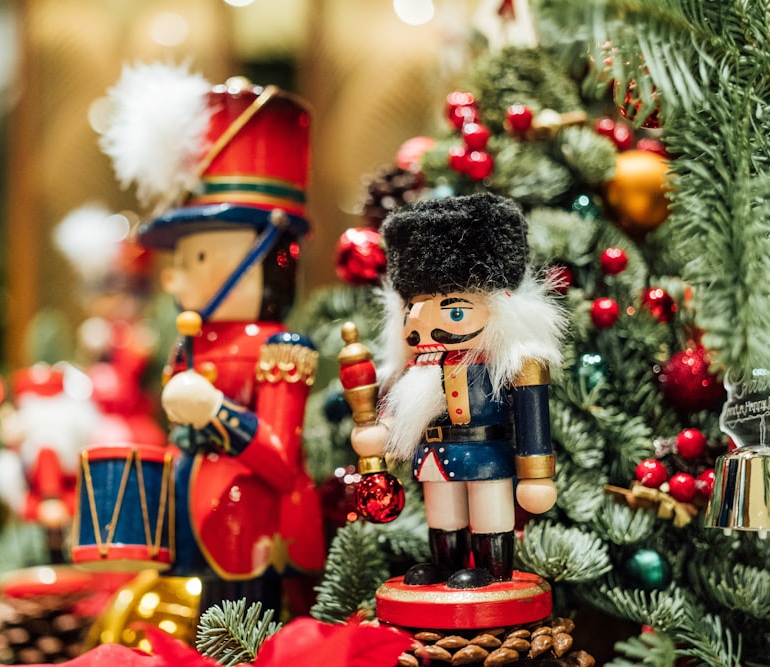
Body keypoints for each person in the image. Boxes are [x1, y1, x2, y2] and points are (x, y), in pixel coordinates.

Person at [91, 64, 325, 614]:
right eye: (179, 259)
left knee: (247, 621)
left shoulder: (280, 347)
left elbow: (278, 459)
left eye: (197, 256)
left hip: (253, 528)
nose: (174, 277)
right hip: (189, 519)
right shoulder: (189, 340)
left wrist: (215, 412)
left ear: (260, 257)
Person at [351, 193, 566, 588]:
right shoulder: (416, 369)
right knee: (442, 514)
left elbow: (532, 416)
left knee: (489, 511)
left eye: (454, 311)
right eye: (413, 310)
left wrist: (536, 475)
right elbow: (395, 413)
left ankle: (492, 570)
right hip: (433, 456)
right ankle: (445, 564)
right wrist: (379, 431)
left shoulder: (508, 365)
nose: (425, 326)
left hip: (486, 455)